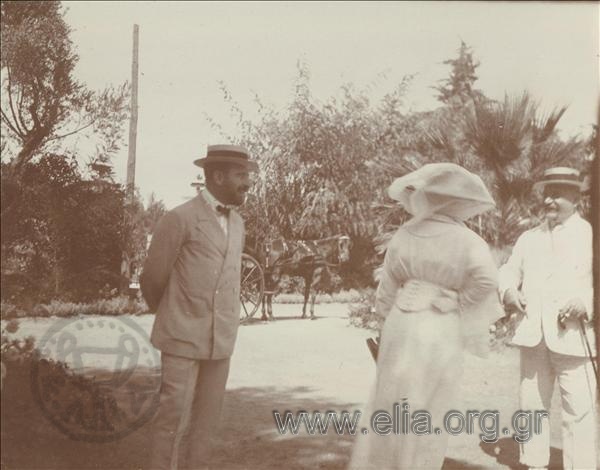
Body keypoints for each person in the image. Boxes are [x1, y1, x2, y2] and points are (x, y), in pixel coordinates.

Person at [350, 162, 500, 469]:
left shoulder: (404, 234)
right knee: (429, 405)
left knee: (391, 400)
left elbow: (387, 288)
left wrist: (384, 324)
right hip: (438, 325)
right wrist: (460, 300)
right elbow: (487, 281)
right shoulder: (467, 240)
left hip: (400, 323)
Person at [140, 144, 258, 470]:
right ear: (217, 176)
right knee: (172, 422)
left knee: (207, 424)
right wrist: (175, 314)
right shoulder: (179, 218)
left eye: (248, 175)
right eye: (241, 175)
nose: (248, 182)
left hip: (221, 341)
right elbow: (153, 278)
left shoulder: (239, 224)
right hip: (181, 336)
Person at [498, 167, 597, 470]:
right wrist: (509, 292)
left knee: (579, 410)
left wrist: (587, 303)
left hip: (575, 336)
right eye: (547, 193)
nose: (550, 200)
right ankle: (534, 464)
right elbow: (509, 269)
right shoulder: (530, 237)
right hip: (533, 334)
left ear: (576, 197)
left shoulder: (589, 235)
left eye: (558, 193)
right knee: (532, 406)